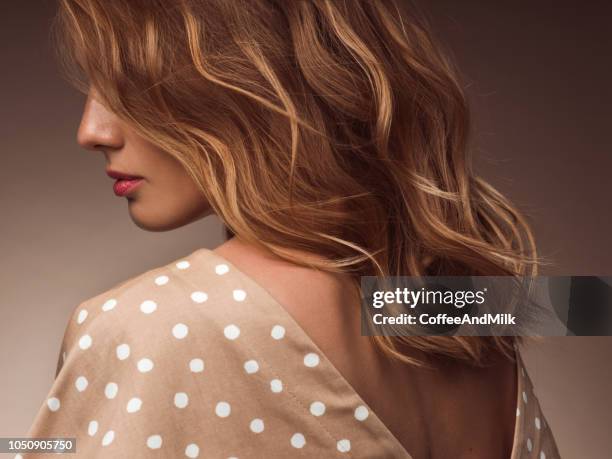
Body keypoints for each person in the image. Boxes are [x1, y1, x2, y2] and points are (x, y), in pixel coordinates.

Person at [26, 0, 560, 457]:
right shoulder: (475, 316)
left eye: (127, 85)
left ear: (248, 79)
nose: (91, 131)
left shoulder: (154, 326)